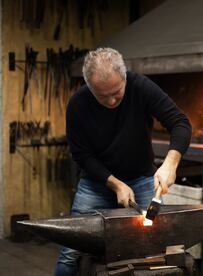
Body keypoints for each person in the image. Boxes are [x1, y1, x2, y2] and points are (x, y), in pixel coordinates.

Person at [54, 47, 192, 275]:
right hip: (95, 185)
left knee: (158, 248)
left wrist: (170, 164)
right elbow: (81, 155)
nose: (110, 101)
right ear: (89, 87)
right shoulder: (78, 104)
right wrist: (115, 184)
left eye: (116, 92)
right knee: (71, 254)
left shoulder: (140, 86)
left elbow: (180, 122)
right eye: (102, 95)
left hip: (141, 178)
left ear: (125, 77)